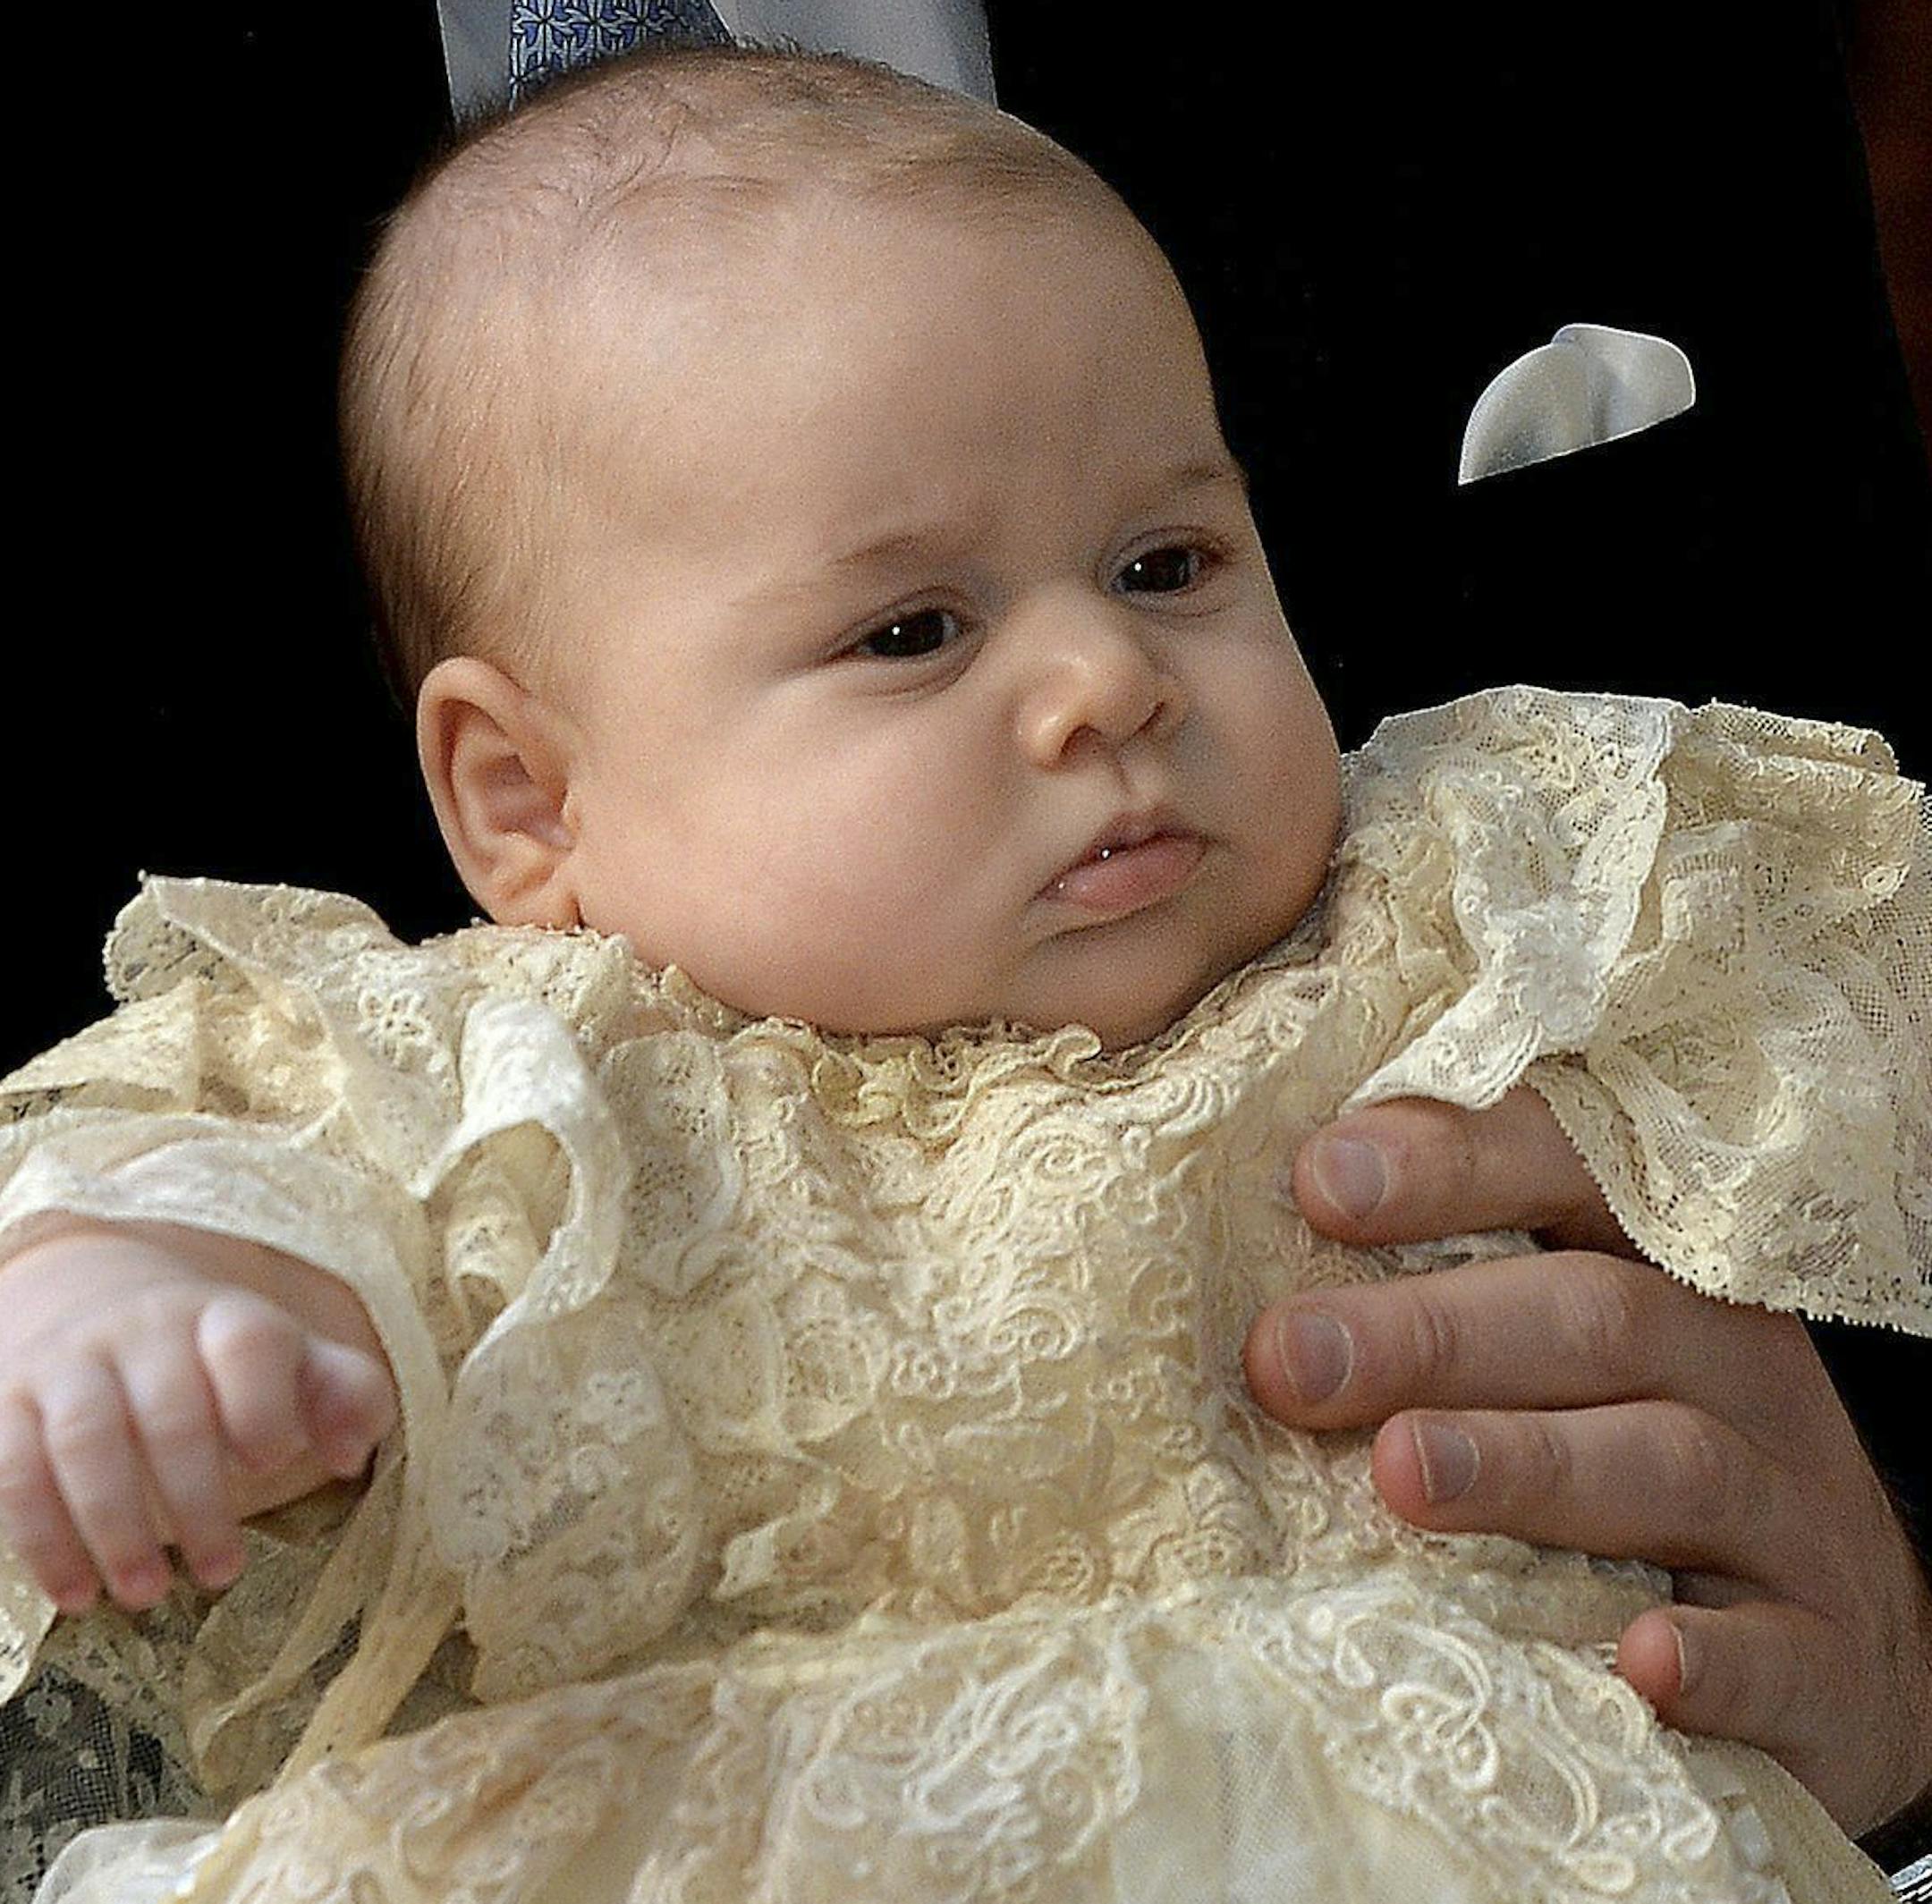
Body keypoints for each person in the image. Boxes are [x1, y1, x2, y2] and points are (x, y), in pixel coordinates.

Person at [1, 47, 1924, 1903]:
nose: (1107, 681)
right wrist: (146, 1299)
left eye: (1169, 561)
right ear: (529, 801)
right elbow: (210, 1143)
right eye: (914, 629)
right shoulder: (536, 1069)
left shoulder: (1442, 902)